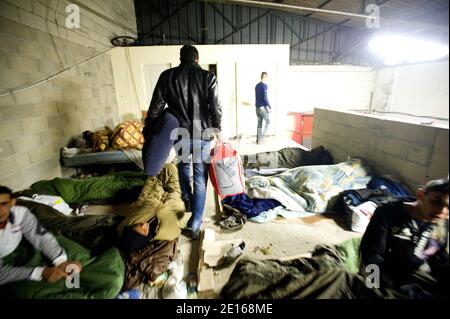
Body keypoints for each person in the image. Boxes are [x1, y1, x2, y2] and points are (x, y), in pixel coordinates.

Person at [144, 45, 222, 239]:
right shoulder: (208, 77)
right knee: (200, 178)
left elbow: (156, 107)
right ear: (197, 59)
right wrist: (217, 128)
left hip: (180, 133)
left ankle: (187, 200)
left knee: (183, 167)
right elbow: (216, 108)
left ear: (180, 58)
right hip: (202, 133)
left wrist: (150, 130)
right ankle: (195, 223)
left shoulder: (167, 76)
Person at [0, 186, 125, 298]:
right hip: (12, 268)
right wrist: (39, 273)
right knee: (28, 291)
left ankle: (74, 283)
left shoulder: (19, 213)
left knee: (101, 275)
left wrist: (60, 260)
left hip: (33, 248)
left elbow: (39, 235)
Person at [360, 179, 449, 298]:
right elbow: (371, 255)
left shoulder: (440, 224)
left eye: (448, 207)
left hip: (412, 272)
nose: (442, 211)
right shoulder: (388, 212)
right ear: (421, 195)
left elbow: (439, 259)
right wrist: (379, 287)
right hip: (381, 275)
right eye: (436, 202)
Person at [255, 72, 271, 144]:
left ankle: (258, 139)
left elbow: (258, 97)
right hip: (262, 109)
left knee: (259, 123)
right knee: (268, 121)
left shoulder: (256, 86)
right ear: (265, 77)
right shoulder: (264, 86)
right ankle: (262, 138)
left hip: (257, 109)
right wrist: (269, 106)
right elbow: (264, 98)